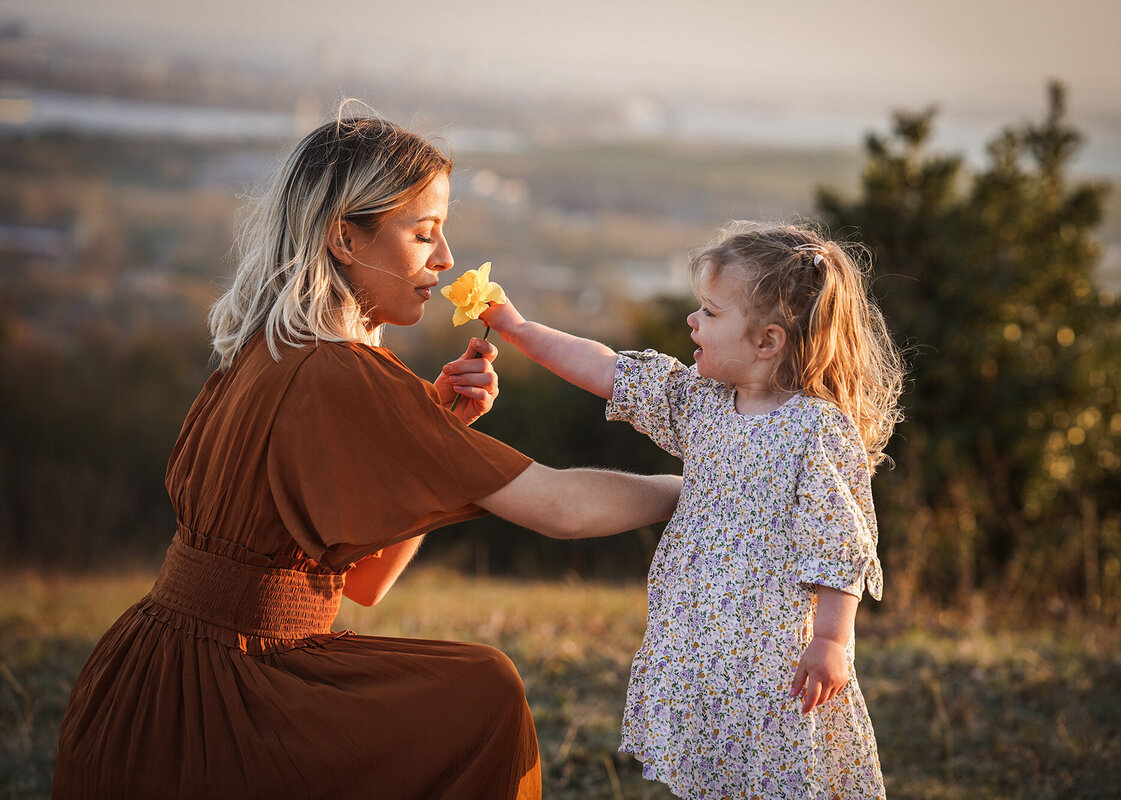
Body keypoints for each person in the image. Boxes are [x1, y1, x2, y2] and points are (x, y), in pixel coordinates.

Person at [52, 112, 682, 800]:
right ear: (344, 238)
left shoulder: (262, 350)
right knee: (483, 691)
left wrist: (431, 426)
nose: (445, 260)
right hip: (233, 701)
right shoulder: (344, 374)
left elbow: (364, 585)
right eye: (422, 234)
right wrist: (701, 483)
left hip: (144, 678)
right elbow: (562, 508)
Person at [479, 221, 904, 798]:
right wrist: (518, 329)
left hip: (770, 665)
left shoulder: (815, 429)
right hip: (696, 651)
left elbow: (839, 544)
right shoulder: (700, 404)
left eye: (709, 311)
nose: (692, 321)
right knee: (712, 781)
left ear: (767, 341)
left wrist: (832, 641)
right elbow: (606, 369)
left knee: (778, 781)